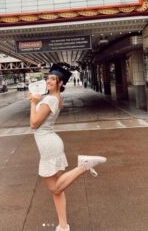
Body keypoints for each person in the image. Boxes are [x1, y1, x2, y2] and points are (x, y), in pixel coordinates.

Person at [27, 64, 107, 231]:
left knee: (55, 187)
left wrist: (33, 104)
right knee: (58, 189)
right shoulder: (56, 98)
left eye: (53, 79)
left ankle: (83, 165)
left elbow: (34, 124)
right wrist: (36, 99)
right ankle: (63, 226)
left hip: (49, 145)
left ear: (60, 83)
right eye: (48, 78)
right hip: (52, 142)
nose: (48, 81)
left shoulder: (49, 100)